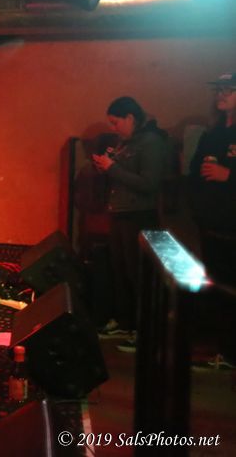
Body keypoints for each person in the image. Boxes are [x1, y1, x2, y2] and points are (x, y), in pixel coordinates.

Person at [91, 96, 166, 352]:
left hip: (140, 215)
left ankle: (144, 331)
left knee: (138, 274)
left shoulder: (151, 142)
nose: (114, 128)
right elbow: (122, 174)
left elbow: (149, 184)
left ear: (131, 118)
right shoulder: (125, 142)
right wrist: (105, 166)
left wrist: (112, 167)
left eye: (116, 122)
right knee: (120, 270)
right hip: (120, 213)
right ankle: (126, 322)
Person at [189, 72, 236, 370]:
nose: (221, 94)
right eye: (218, 89)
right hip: (211, 223)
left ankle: (231, 353)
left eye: (228, 89)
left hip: (233, 226)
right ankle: (220, 350)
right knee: (217, 288)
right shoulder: (213, 133)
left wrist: (228, 175)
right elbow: (195, 170)